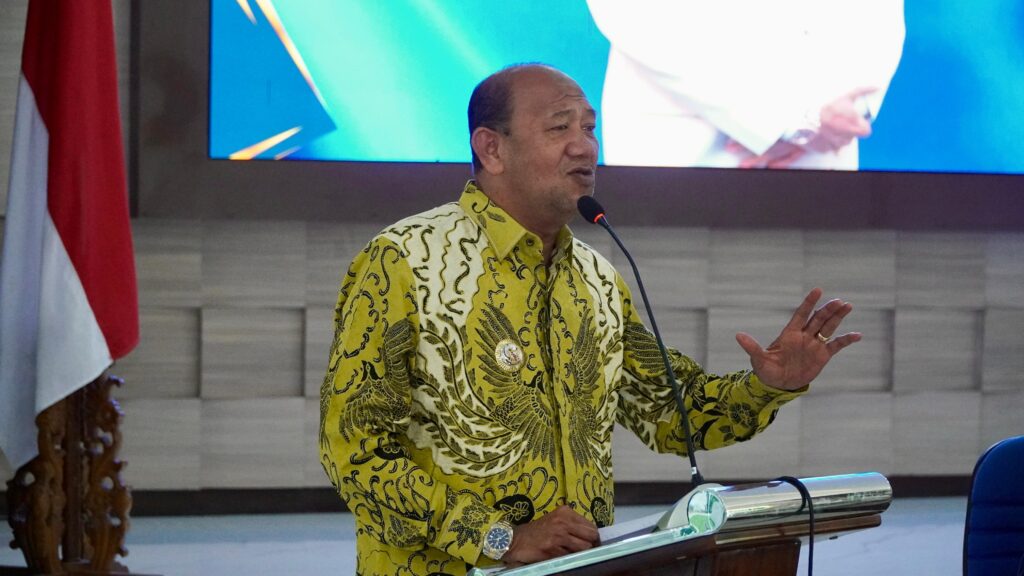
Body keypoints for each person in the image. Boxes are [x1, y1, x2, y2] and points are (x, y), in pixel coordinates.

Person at [319, 63, 860, 576]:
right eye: (560, 127)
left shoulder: (596, 278)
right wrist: (499, 537)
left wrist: (768, 386)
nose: (584, 146)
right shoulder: (406, 260)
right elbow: (354, 451)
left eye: (589, 128)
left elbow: (670, 413)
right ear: (491, 148)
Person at [586, 0, 906, 169]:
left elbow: (877, 19)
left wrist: (843, 112)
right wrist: (789, 121)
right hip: (683, 147)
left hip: (820, 152)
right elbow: (633, 14)